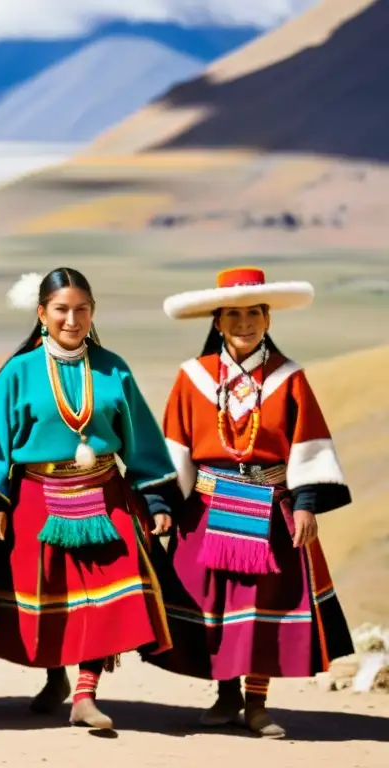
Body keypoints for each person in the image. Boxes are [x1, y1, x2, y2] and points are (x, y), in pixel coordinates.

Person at [146, 266, 354, 738]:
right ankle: (225, 695)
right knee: (213, 605)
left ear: (268, 319)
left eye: (254, 314)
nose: (244, 323)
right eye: (233, 314)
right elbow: (175, 446)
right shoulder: (193, 378)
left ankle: (257, 703)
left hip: (270, 508)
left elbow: (308, 443)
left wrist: (305, 504)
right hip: (207, 507)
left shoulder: (290, 378)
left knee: (263, 608)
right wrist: (162, 505)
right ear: (217, 321)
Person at [0, 268, 180, 731]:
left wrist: (157, 500)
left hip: (106, 494)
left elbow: (141, 438)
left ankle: (86, 692)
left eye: (81, 309)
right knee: (53, 593)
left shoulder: (113, 368)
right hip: (38, 498)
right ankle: (55, 678)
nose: (72, 319)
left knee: (105, 596)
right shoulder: (18, 372)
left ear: (92, 313)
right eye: (62, 310)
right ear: (42, 314)